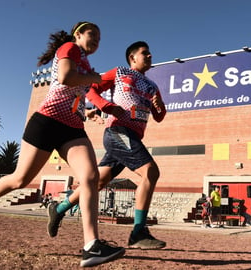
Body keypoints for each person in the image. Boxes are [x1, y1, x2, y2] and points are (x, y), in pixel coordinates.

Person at [0, 21, 125, 267]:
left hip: (72, 128)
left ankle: (91, 246)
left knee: (90, 177)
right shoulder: (69, 48)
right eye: (93, 34)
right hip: (46, 122)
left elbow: (74, 93)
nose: (97, 41)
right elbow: (65, 77)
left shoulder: (87, 63)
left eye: (100, 39)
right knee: (20, 180)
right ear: (78, 34)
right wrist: (93, 78)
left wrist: (87, 112)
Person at [46, 41, 167, 250]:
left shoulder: (152, 87)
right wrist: (105, 106)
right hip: (118, 132)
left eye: (150, 53)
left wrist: (159, 106)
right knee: (151, 172)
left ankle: (59, 208)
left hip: (133, 137)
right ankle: (138, 232)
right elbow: (91, 90)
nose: (150, 56)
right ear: (132, 58)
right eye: (145, 53)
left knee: (97, 182)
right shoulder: (120, 72)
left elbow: (158, 117)